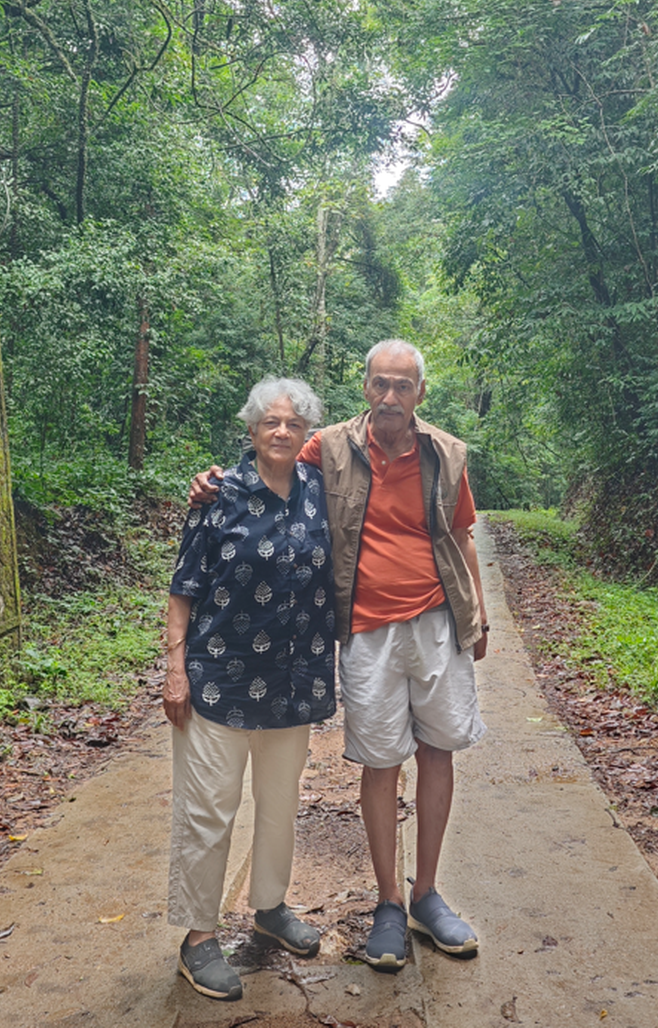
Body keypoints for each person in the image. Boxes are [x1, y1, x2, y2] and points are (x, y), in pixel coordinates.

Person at [191, 340, 488, 972]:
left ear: (420, 394)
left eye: (402, 386)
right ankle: (387, 903)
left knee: (439, 752)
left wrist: (478, 612)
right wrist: (211, 482)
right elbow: (266, 452)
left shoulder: (446, 454)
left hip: (438, 620)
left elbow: (461, 536)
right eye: (379, 384)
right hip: (367, 629)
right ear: (364, 387)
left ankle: (426, 895)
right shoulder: (328, 447)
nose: (389, 397)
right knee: (381, 760)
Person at [165, 377, 335, 1002]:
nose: (282, 431)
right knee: (209, 808)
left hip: (294, 679)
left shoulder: (320, 489)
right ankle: (198, 939)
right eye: (271, 422)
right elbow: (184, 586)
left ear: (307, 431)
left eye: (293, 423)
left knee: (279, 800)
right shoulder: (220, 493)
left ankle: (270, 906)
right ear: (253, 429)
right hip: (220, 678)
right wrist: (175, 666)